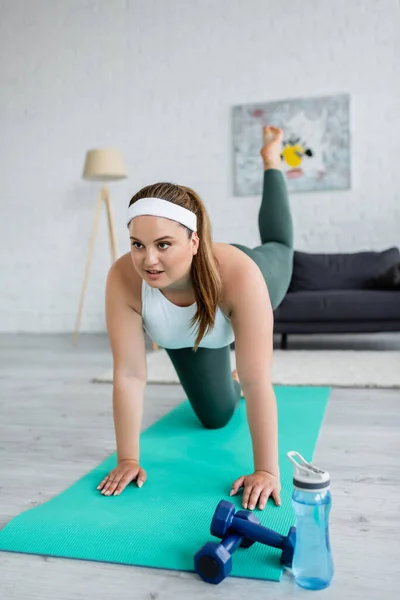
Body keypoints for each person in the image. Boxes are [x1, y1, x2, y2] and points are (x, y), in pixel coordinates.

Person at [97, 126, 294, 511]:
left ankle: (271, 162)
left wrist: (267, 471)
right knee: (216, 417)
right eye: (138, 244)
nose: (148, 260)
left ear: (193, 241)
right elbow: (130, 374)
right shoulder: (124, 279)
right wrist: (127, 459)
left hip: (253, 275)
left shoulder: (241, 276)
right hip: (196, 333)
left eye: (163, 244)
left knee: (280, 247)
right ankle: (225, 381)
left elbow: (257, 382)